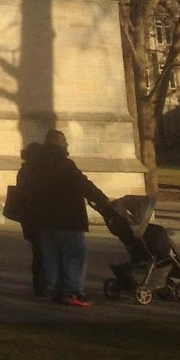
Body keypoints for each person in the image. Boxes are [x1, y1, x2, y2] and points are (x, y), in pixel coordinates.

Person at [29, 128, 110, 307]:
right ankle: (72, 291)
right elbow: (83, 185)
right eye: (64, 141)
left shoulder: (37, 166)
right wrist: (104, 200)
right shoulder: (65, 165)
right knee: (74, 255)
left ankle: (53, 289)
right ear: (59, 144)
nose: (67, 144)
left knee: (51, 256)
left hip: (45, 218)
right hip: (67, 218)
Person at [12, 141, 46, 298]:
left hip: (30, 219)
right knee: (44, 253)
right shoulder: (39, 172)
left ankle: (39, 285)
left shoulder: (23, 171)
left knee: (38, 253)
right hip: (41, 217)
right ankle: (43, 285)